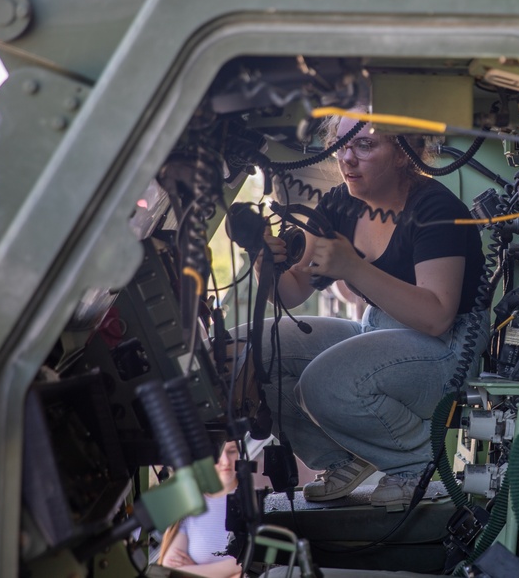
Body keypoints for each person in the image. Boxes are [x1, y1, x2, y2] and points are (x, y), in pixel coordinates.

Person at [256, 107, 488, 508]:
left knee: (323, 383)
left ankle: (413, 463)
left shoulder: (436, 208)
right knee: (252, 350)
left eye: (364, 145)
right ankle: (341, 458)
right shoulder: (339, 204)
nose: (347, 158)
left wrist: (353, 268)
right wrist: (266, 263)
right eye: (339, 145)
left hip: (447, 352)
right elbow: (293, 290)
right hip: (377, 331)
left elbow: (436, 317)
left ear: (403, 152)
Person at [158, 441, 242, 578]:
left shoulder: (255, 500)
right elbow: (170, 566)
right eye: (219, 454)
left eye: (231, 451)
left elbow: (250, 562)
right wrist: (231, 572)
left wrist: (193, 569)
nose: (225, 461)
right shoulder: (190, 501)